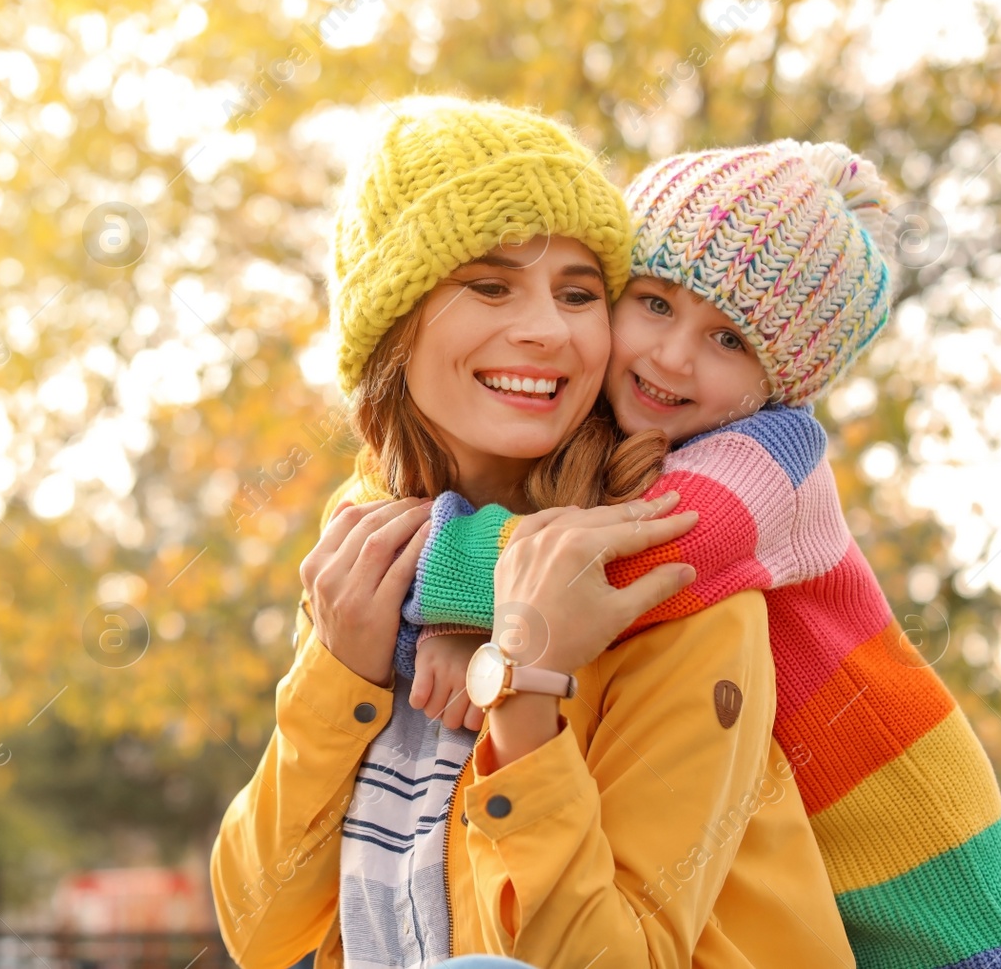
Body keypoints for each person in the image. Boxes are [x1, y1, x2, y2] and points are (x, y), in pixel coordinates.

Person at [209, 96, 854, 968]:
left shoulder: (666, 565)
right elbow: (260, 931)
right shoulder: (374, 548)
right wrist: (345, 663)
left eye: (581, 293)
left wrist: (524, 687)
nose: (547, 328)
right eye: (490, 283)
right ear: (392, 324)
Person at [386, 140, 1001, 967]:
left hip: (933, 891)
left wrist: (418, 572)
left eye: (729, 340)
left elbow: (608, 573)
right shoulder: (637, 447)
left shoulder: (769, 465)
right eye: (656, 303)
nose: (672, 356)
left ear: (779, 383)